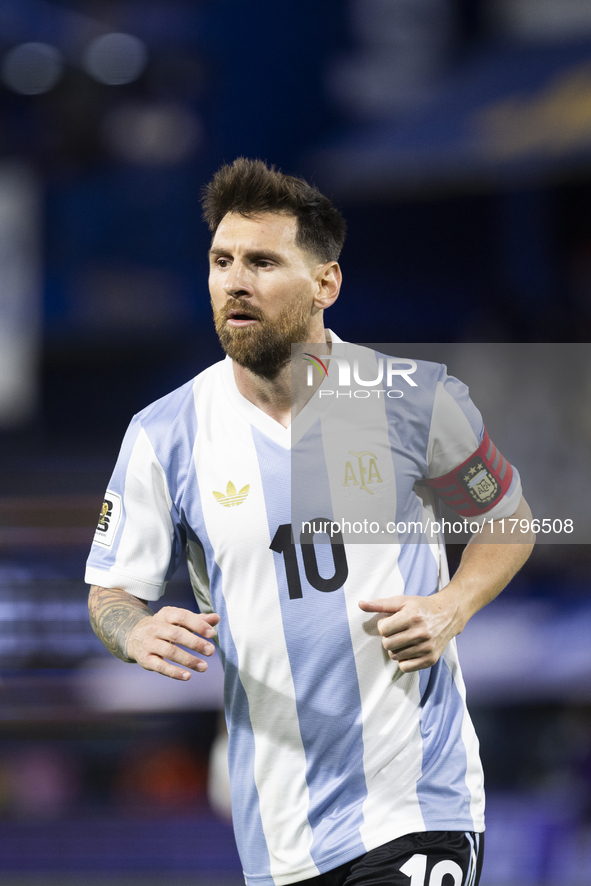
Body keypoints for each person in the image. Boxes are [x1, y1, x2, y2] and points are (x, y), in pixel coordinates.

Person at [86, 158, 535, 886]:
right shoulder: (162, 435)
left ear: (324, 283)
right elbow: (109, 594)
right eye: (221, 261)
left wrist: (450, 606)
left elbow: (508, 519)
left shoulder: (414, 400)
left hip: (415, 802)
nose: (235, 280)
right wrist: (133, 629)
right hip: (279, 833)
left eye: (262, 262)